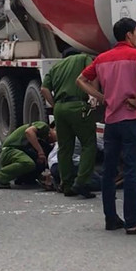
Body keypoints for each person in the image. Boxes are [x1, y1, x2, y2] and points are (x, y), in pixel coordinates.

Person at [77, 17, 136, 235]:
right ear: (129, 35)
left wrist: (102, 97)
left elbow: (80, 80)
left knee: (109, 171)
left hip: (111, 121)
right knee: (131, 170)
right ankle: (132, 221)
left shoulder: (102, 59)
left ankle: (111, 218)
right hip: (130, 119)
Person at [42, 49, 98, 199]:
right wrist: (94, 95)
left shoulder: (55, 67)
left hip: (60, 108)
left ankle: (66, 185)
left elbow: (44, 88)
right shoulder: (83, 57)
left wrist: (55, 105)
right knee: (88, 144)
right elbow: (91, 75)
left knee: (65, 148)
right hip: (77, 106)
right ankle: (81, 182)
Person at [0, 120, 56, 188]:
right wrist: (40, 152)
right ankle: (0, 176)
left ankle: (25, 178)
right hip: (9, 150)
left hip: (17, 152)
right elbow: (29, 132)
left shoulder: (44, 139)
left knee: (42, 157)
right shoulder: (43, 126)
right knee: (28, 163)